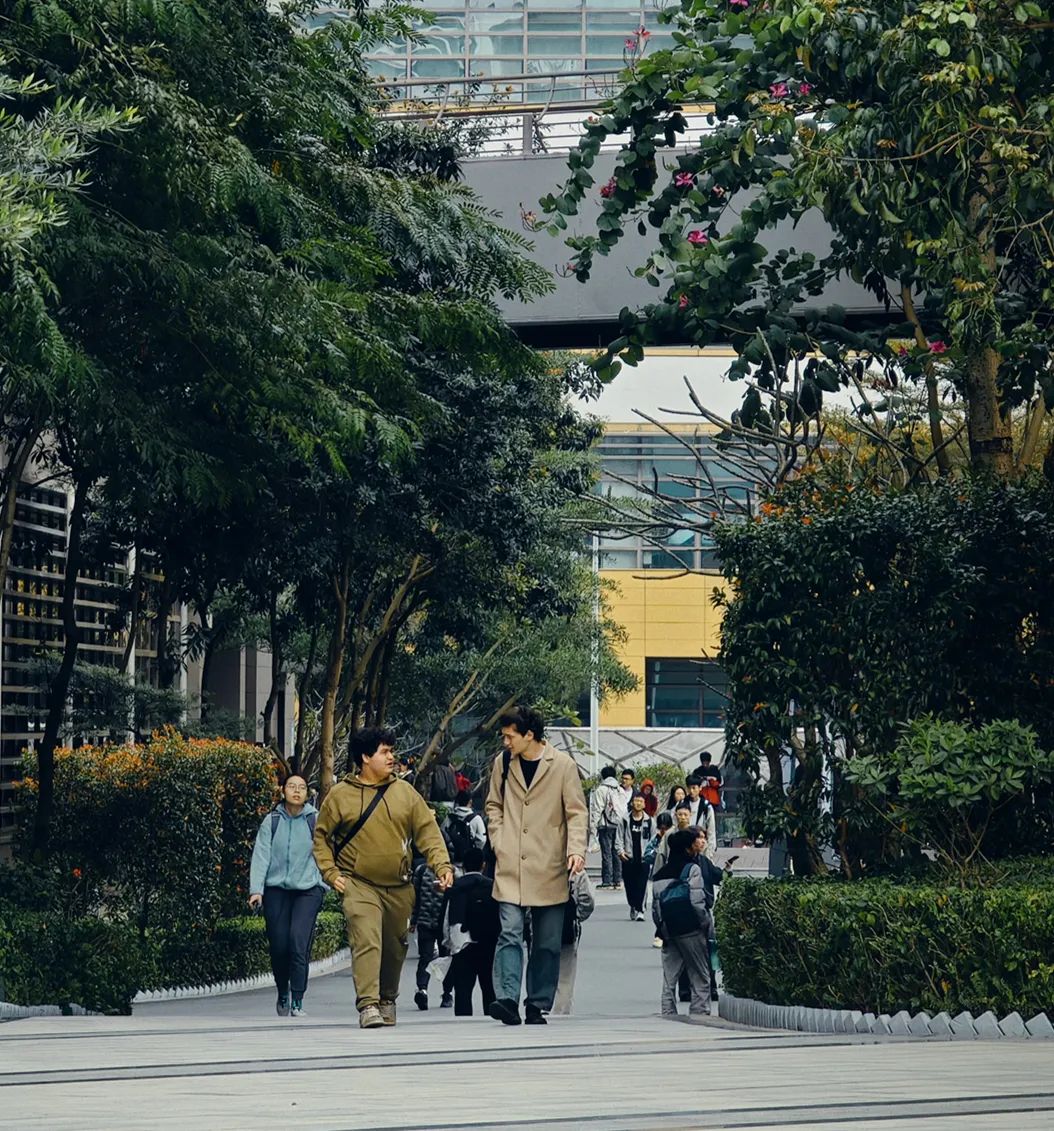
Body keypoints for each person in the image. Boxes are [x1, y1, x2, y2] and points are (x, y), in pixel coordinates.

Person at [314, 726, 453, 1029]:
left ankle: (387, 999)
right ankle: (368, 1005)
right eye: (385, 752)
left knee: (395, 947)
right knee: (367, 939)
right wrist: (331, 873)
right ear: (365, 757)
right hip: (359, 883)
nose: (392, 757)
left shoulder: (405, 793)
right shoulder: (340, 796)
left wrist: (442, 866)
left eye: (392, 751)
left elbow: (428, 833)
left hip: (399, 886)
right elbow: (321, 838)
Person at [486, 704, 588, 1026]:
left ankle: (537, 1003)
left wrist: (576, 850)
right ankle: (507, 998)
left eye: (510, 736)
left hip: (550, 864)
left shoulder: (563, 766)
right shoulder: (503, 763)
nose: (506, 742)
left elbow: (576, 813)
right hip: (511, 864)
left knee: (546, 942)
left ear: (529, 735)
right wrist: (499, 839)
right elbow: (493, 804)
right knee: (509, 932)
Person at [248, 775, 325, 1018]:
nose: (296, 791)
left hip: (308, 890)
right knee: (279, 945)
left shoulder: (315, 820)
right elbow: (261, 855)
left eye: (301, 788)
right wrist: (256, 890)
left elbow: (326, 852)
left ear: (307, 794)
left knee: (298, 941)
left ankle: (298, 999)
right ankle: (283, 990)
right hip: (276, 890)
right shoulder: (272, 821)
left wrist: (324, 882)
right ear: (283, 791)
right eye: (292, 787)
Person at [652, 826, 729, 1017]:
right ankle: (699, 1013)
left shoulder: (660, 874)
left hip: (669, 930)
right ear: (687, 848)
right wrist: (705, 925)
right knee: (700, 974)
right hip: (691, 929)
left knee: (669, 978)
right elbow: (697, 902)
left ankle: (668, 1013)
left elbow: (656, 909)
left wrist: (662, 928)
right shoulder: (692, 869)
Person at [441, 846, 499, 1016]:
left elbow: (445, 920)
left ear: (463, 866)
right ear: (483, 865)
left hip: (462, 946)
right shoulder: (492, 886)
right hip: (488, 944)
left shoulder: (455, 888)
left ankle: (463, 1022)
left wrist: (446, 945)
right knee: (489, 988)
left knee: (463, 990)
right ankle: (491, 1017)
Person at [552, 866, 596, 1016]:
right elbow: (588, 899)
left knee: (540, 967)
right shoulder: (576, 870)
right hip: (567, 927)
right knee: (565, 974)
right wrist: (577, 916)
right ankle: (561, 1010)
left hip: (540, 926)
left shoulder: (538, 865)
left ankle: (539, 1004)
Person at [411, 858, 452, 1010]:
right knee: (445, 958)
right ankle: (447, 994)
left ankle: (422, 989)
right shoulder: (451, 872)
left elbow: (415, 898)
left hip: (425, 921)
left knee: (425, 958)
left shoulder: (421, 870)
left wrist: (414, 920)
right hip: (444, 923)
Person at [615, 791, 654, 921]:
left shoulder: (649, 821)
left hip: (643, 859)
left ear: (644, 804)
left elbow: (654, 839)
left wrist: (651, 854)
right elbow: (619, 837)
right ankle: (633, 905)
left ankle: (640, 910)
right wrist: (620, 851)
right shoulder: (624, 820)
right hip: (629, 858)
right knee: (629, 885)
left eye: (641, 801)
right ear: (632, 803)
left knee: (642, 885)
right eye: (636, 801)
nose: (638, 803)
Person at [589, 766, 627, 890]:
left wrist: (593, 826)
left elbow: (597, 809)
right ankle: (617, 880)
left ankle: (607, 881)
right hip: (618, 825)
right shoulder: (620, 790)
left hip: (605, 825)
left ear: (603, 776)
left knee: (606, 853)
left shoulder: (601, 790)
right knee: (616, 852)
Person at [644, 811, 674, 949]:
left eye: (666, 828)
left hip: (673, 877)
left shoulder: (675, 837)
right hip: (659, 876)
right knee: (657, 907)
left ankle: (664, 934)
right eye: (661, 829)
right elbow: (647, 855)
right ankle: (660, 932)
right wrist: (657, 853)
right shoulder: (655, 840)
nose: (663, 831)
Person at [443, 788, 487, 867]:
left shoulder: (449, 817)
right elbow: (482, 840)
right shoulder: (476, 818)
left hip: (452, 858)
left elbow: (442, 834)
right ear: (470, 802)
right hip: (470, 861)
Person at [685, 774, 718, 861]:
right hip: (685, 847)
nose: (691, 791)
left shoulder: (706, 807)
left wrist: (709, 853)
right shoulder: (682, 804)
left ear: (700, 788)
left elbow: (711, 831)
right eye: (689, 788)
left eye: (694, 788)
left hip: (701, 849)